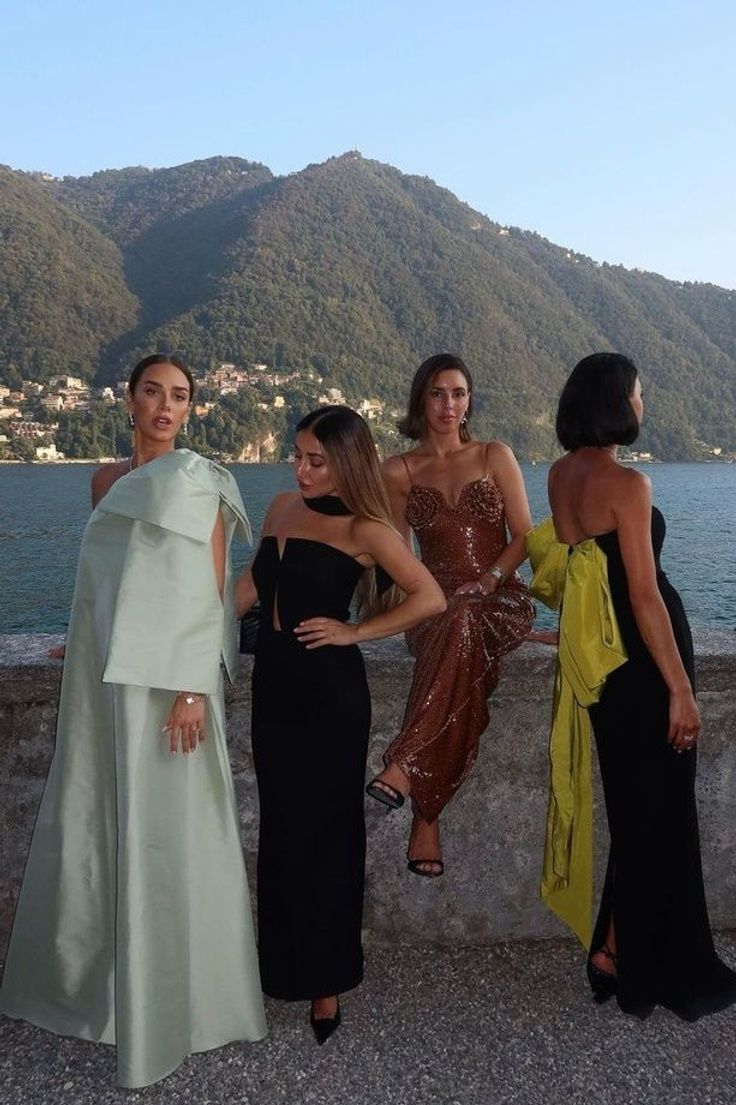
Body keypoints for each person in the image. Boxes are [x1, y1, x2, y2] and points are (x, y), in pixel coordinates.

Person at [0, 354, 266, 1086]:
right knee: (102, 818)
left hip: (169, 686)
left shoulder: (196, 480)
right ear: (129, 398)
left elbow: (208, 590)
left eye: (179, 396)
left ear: (189, 410)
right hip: (104, 681)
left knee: (168, 827)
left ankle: (184, 1000)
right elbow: (108, 578)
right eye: (153, 391)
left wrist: (190, 688)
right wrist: (78, 633)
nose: (165, 405)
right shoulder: (104, 481)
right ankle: (109, 991)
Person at [528, 351, 736, 1020]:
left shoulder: (561, 475)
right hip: (650, 659)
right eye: (639, 393)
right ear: (617, 401)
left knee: (636, 811)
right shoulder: (628, 485)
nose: (643, 403)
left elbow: (585, 573)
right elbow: (643, 595)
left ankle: (616, 947)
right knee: (662, 814)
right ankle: (637, 958)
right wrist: (681, 687)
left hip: (608, 669)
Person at [236, 405, 445, 1043]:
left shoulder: (366, 528)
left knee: (327, 839)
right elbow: (244, 591)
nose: (299, 468)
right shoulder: (277, 507)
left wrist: (355, 630)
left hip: (330, 700)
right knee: (283, 833)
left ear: (346, 462)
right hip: (274, 691)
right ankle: (281, 966)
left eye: (315, 460)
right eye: (296, 455)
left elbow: (428, 596)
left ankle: (325, 982)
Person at [366, 354, 535, 877]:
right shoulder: (399, 470)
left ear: (469, 401)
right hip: (432, 607)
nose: (449, 404)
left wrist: (486, 580)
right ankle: (425, 814)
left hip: (497, 597)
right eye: (438, 393)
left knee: (464, 620)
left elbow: (526, 536)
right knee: (454, 625)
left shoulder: (493, 454)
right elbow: (398, 553)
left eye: (459, 394)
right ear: (422, 398)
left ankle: (408, 772)